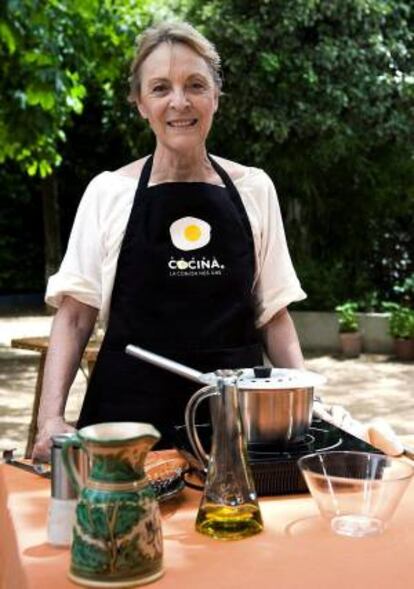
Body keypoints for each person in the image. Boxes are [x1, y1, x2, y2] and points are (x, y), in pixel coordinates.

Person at [32, 21, 306, 461]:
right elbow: (75, 317)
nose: (179, 102)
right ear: (140, 104)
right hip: (124, 427)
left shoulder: (254, 189)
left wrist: (306, 407)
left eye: (195, 85)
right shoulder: (109, 192)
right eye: (160, 88)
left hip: (234, 427)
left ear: (215, 96)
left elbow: (273, 316)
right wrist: (50, 419)